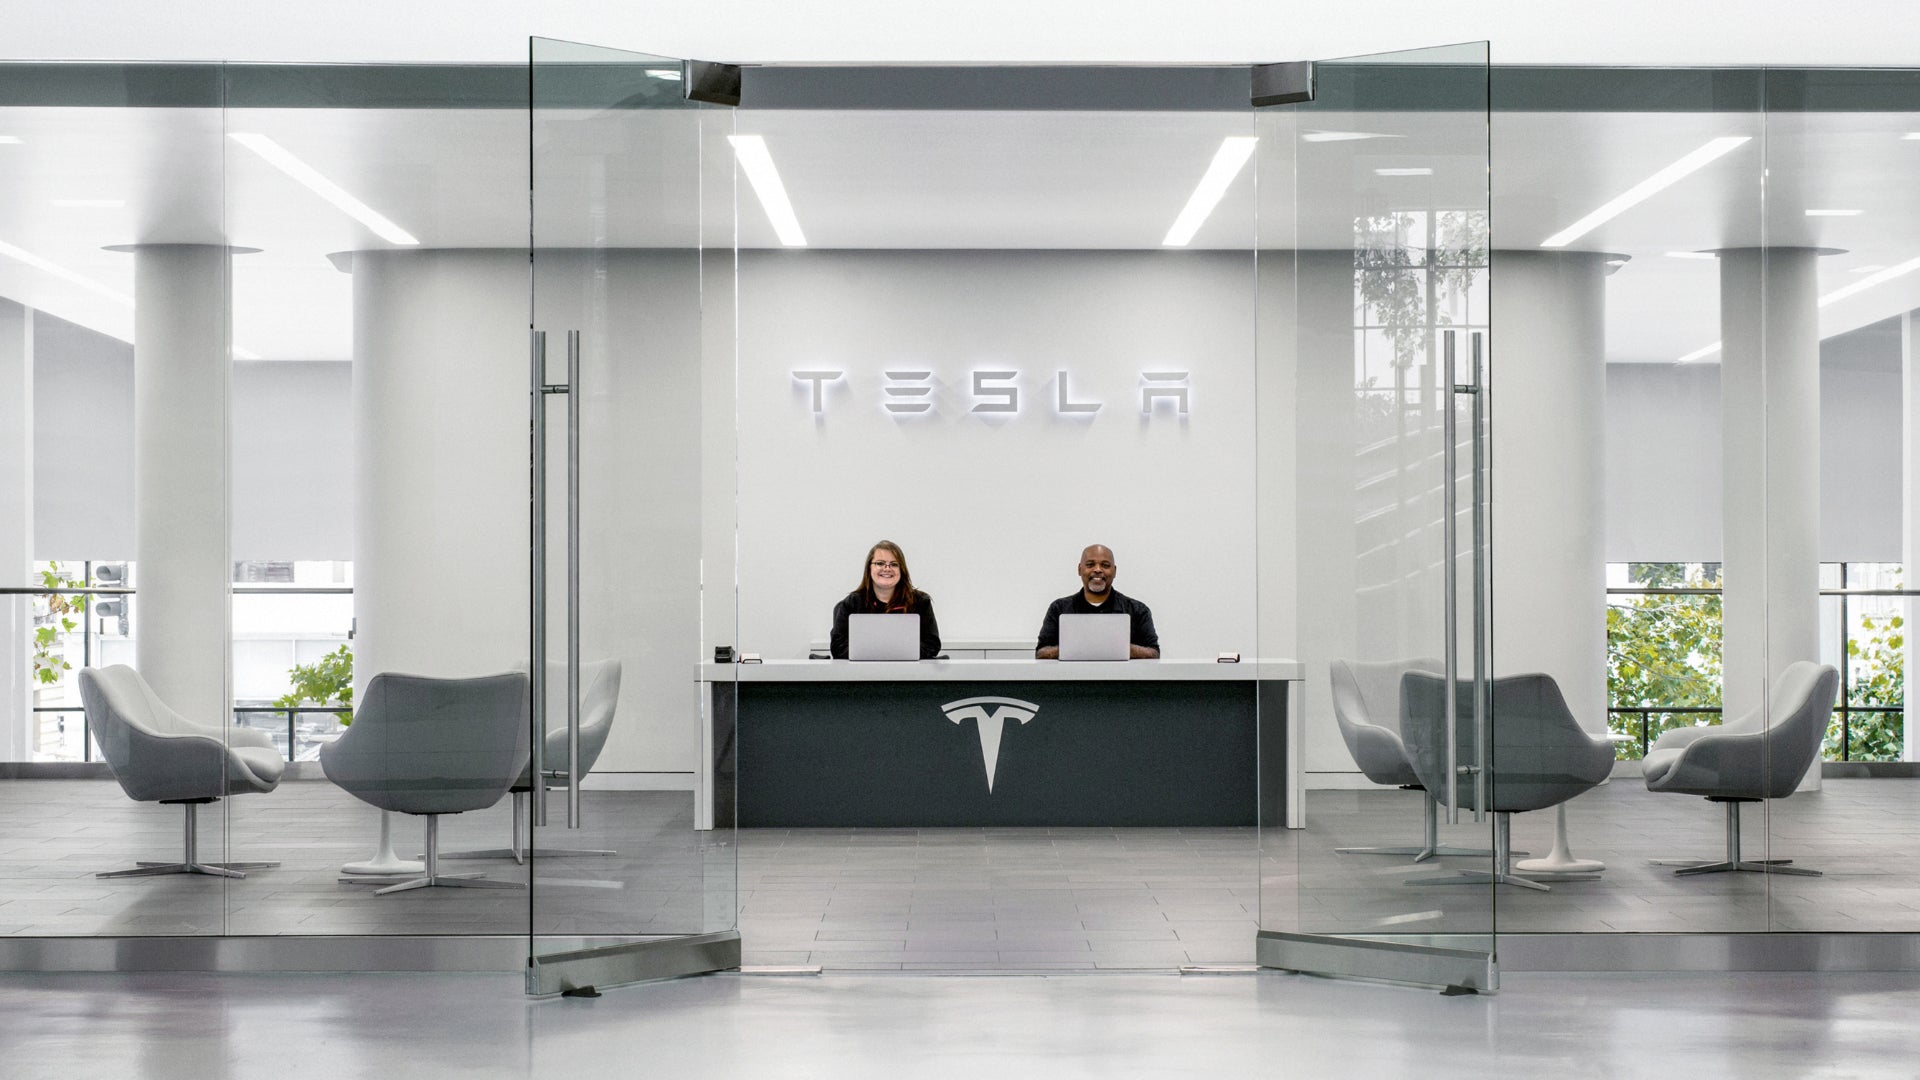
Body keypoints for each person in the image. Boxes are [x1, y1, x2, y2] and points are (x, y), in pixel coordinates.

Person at [1034, 544, 1159, 659]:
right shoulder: (1059, 608)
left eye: (1105, 565)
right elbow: (1041, 653)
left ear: (1114, 571)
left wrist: (1120, 648)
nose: (1098, 569)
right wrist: (1077, 648)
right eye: (1090, 565)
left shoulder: (1137, 610)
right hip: (1073, 676)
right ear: (1079, 569)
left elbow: (1154, 653)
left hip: (1120, 676)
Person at [829, 540, 943, 660]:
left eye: (894, 564)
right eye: (880, 563)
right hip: (864, 670)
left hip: (909, 669)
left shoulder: (920, 602)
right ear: (869, 568)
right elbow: (838, 648)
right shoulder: (853, 603)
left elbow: (932, 645)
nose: (887, 569)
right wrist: (880, 653)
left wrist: (894, 653)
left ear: (902, 570)